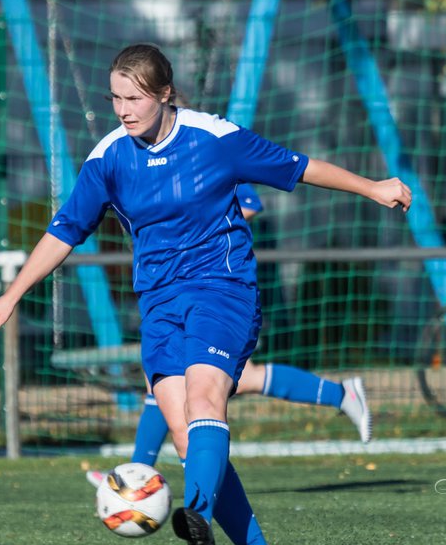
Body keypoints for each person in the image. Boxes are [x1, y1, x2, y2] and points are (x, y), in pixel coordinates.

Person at [0, 44, 410, 545]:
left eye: (134, 98)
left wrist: (373, 187)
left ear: (164, 94)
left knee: (207, 396)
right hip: (159, 303)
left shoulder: (215, 138)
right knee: (182, 431)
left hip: (222, 289)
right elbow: (66, 228)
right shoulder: (109, 157)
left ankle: (198, 513)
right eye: (114, 97)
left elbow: (300, 167)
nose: (123, 109)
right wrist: (13, 293)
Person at [86, 183, 372, 488]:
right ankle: (341, 394)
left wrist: (193, 240)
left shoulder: (206, 147)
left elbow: (250, 202)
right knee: (178, 379)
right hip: (177, 288)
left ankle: (138, 476)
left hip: (214, 290)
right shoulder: (154, 160)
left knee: (185, 381)